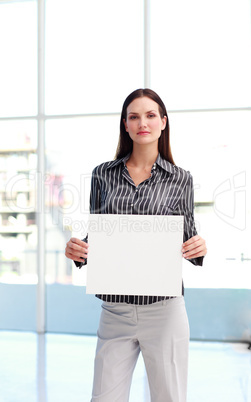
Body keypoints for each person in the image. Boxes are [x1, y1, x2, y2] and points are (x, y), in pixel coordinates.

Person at [65, 88, 207, 402]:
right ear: (125, 125)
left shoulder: (180, 179)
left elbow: (188, 237)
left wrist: (198, 248)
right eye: (134, 116)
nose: (142, 122)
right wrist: (78, 251)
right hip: (115, 311)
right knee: (104, 398)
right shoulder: (103, 175)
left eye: (150, 115)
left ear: (163, 122)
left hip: (165, 311)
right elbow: (99, 235)